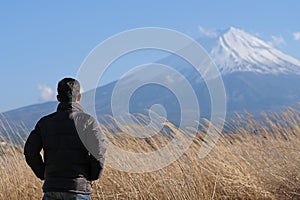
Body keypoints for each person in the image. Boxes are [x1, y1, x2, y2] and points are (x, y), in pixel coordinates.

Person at [24, 78, 106, 200]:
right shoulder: (88, 122)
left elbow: (29, 152)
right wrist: (92, 175)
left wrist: (44, 173)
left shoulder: (44, 123)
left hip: (52, 188)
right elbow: (98, 151)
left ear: (58, 98)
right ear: (79, 97)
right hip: (79, 188)